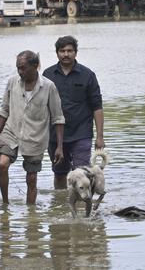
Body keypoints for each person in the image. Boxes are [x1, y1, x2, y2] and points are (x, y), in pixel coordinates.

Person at [0, 50, 64, 205]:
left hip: (35, 137)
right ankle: (5, 203)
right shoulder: (12, 82)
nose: (20, 72)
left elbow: (58, 118)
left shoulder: (49, 87)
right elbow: (4, 110)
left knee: (31, 179)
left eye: (23, 68)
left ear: (36, 66)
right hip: (12, 130)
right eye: (18, 68)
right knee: (2, 164)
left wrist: (59, 147)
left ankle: (31, 216)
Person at [43, 35, 105, 190]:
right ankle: (60, 205)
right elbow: (40, 107)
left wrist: (100, 136)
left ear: (76, 53)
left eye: (69, 50)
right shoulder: (47, 75)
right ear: (57, 53)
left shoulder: (87, 75)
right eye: (62, 51)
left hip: (81, 133)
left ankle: (85, 209)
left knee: (82, 174)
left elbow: (97, 106)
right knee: (59, 173)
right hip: (55, 135)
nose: (66, 54)